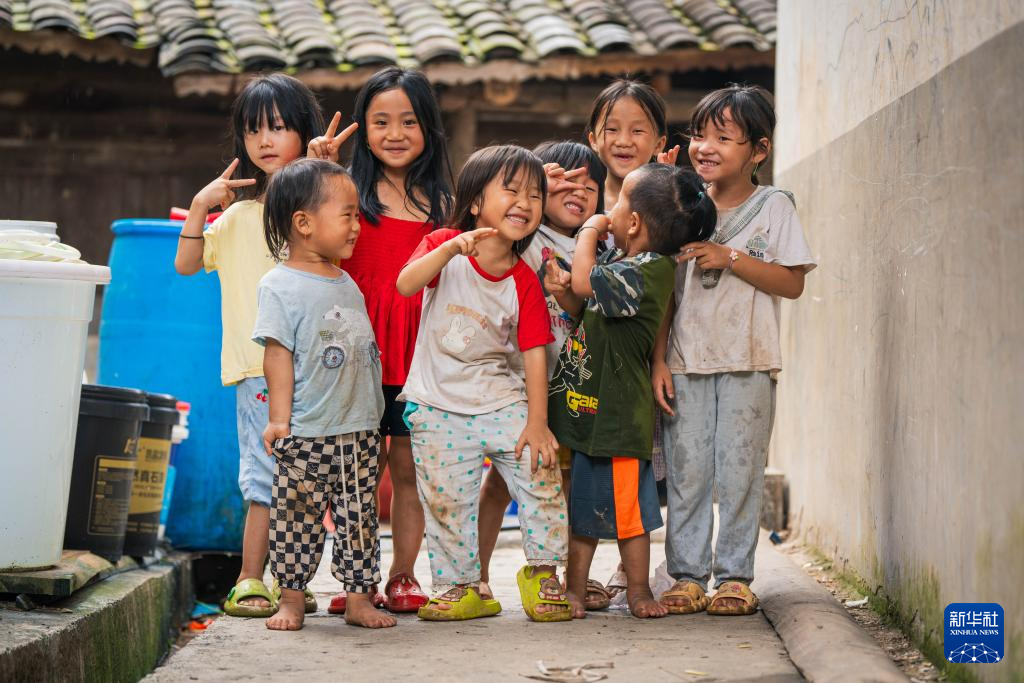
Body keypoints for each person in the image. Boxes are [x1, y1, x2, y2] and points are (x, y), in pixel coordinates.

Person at [173, 74, 351, 618]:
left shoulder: (319, 208)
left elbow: (344, 242)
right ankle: (251, 580)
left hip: (320, 366)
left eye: (278, 127)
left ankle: (293, 581)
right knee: (264, 479)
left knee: (315, 482)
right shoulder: (236, 218)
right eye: (254, 131)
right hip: (257, 369)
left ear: (304, 130)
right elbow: (185, 264)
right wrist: (202, 207)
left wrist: (325, 174)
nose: (265, 140)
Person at [652, 85, 816, 616]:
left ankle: (735, 577)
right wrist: (658, 358)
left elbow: (791, 283)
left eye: (723, 137)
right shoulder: (679, 202)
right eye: (699, 134)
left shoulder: (774, 207)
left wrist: (731, 257)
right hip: (685, 361)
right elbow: (661, 292)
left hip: (749, 361)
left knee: (741, 471)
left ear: (759, 151)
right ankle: (687, 575)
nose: (705, 146)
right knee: (687, 471)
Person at [395, 145, 572, 622]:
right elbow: (407, 285)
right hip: (436, 405)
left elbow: (535, 354)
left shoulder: (524, 281)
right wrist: (450, 247)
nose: (525, 202)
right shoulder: (443, 244)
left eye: (535, 195)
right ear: (475, 202)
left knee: (542, 474)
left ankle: (541, 572)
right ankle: (462, 587)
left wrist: (537, 424)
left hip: (499, 400)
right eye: (511, 190)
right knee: (447, 500)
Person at [310, 66, 454, 616]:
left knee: (408, 471)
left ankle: (403, 576)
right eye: (381, 122)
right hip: (356, 353)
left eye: (409, 121)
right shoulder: (344, 191)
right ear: (364, 130)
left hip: (423, 354)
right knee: (356, 475)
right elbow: (304, 232)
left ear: (430, 129)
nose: (395, 133)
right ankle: (356, 578)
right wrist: (318, 170)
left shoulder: (448, 203)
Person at [545, 163, 717, 619]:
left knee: (630, 515)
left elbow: (585, 282)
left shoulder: (649, 269)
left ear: (635, 223)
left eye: (618, 203)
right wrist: (564, 295)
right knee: (582, 514)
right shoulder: (626, 265)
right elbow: (587, 308)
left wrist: (587, 229)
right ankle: (576, 590)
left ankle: (638, 590)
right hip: (592, 413)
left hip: (619, 418)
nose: (610, 211)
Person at [254, 158, 394, 631]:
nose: (358, 225)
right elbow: (276, 354)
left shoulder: (346, 279)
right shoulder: (279, 285)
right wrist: (279, 420)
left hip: (359, 429)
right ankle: (291, 599)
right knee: (297, 520)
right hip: (308, 429)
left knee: (360, 520)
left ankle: (358, 599)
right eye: (348, 214)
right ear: (304, 223)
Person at [475, 141, 608, 608]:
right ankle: (477, 573)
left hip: (571, 388)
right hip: (517, 383)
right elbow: (491, 222)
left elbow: (593, 309)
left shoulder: (598, 245)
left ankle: (571, 577)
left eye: (589, 188)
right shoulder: (525, 236)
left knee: (565, 484)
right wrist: (534, 189)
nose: (578, 193)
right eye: (566, 183)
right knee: (499, 481)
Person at [583, 77, 679, 598]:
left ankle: (630, 572)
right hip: (586, 356)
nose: (624, 139)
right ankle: (583, 574)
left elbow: (663, 291)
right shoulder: (588, 201)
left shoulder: (662, 199)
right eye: (611, 128)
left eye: (638, 129)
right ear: (593, 136)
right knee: (585, 464)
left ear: (660, 137)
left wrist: (658, 358)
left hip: (635, 356)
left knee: (636, 466)